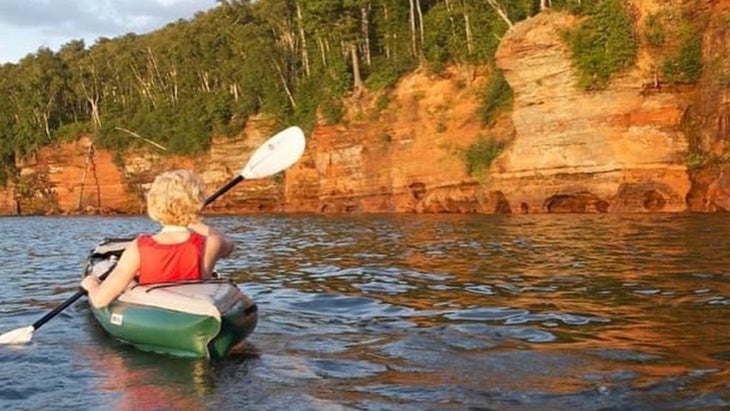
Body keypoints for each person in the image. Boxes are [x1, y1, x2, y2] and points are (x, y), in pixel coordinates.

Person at [81, 169, 235, 308]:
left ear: (153, 204)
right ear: (198, 203)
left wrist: (92, 285)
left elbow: (100, 301)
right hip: (196, 306)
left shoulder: (139, 247)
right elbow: (228, 245)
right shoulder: (211, 243)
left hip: (155, 311)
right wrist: (191, 219)